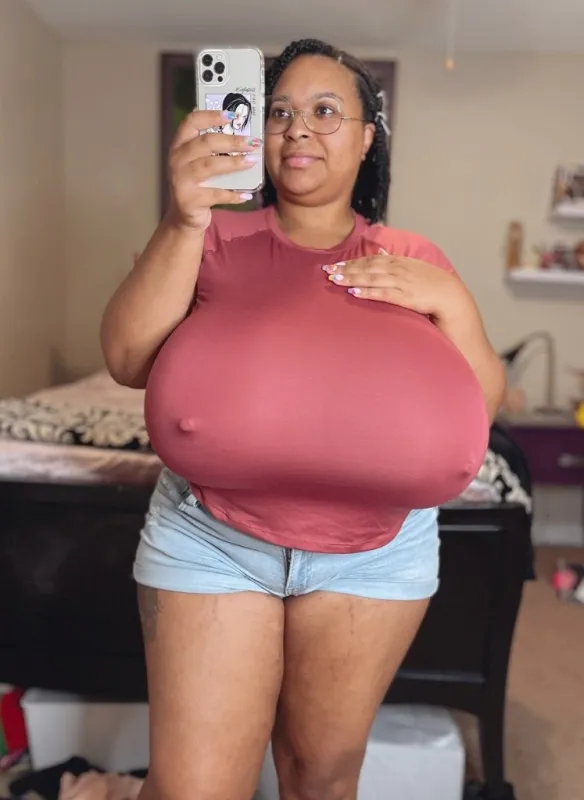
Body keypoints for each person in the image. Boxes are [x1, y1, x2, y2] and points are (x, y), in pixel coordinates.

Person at [101, 38, 505, 800]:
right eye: (280, 111)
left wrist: (451, 302)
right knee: (191, 790)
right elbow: (126, 358)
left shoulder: (414, 256)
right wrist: (182, 219)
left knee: (320, 779)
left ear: (367, 137)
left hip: (375, 556)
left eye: (325, 110)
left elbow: (479, 406)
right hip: (210, 539)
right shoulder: (208, 237)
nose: (297, 129)